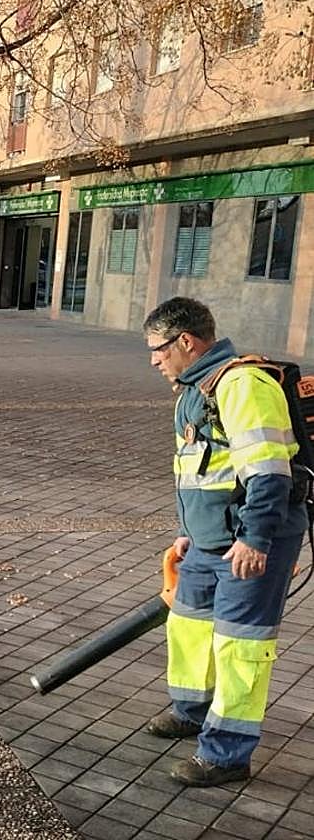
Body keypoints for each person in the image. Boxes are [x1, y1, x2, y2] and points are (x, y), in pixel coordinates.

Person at [142, 297, 307, 787]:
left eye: (158, 349)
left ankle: (227, 754)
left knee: (241, 647)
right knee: (189, 628)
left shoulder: (242, 384)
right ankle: (192, 712)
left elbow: (269, 473)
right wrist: (189, 531)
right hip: (208, 542)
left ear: (186, 342)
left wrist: (255, 539)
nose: (154, 359)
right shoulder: (195, 390)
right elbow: (196, 472)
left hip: (251, 543)